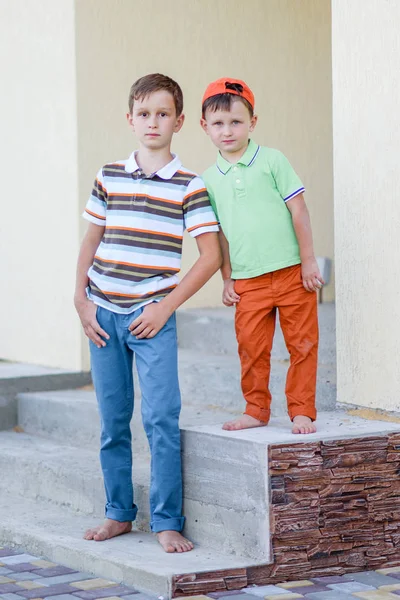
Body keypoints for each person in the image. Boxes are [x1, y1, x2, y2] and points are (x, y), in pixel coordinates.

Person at [74, 73, 221, 553]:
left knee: (160, 418)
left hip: (151, 318)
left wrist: (165, 307)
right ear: (130, 119)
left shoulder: (188, 185)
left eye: (163, 114)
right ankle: (118, 513)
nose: (152, 122)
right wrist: (80, 299)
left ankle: (166, 521)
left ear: (179, 121)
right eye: (143, 113)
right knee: (113, 420)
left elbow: (210, 256)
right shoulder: (108, 175)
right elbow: (91, 240)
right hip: (103, 317)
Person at [200, 77, 324, 435]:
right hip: (247, 280)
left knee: (302, 344)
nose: (227, 131)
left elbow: (298, 210)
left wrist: (309, 260)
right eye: (218, 123)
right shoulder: (209, 179)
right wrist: (227, 277)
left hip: (291, 273)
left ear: (252, 123)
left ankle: (302, 410)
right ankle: (256, 409)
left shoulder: (272, 160)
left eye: (236, 122)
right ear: (204, 126)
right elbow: (219, 233)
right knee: (251, 348)